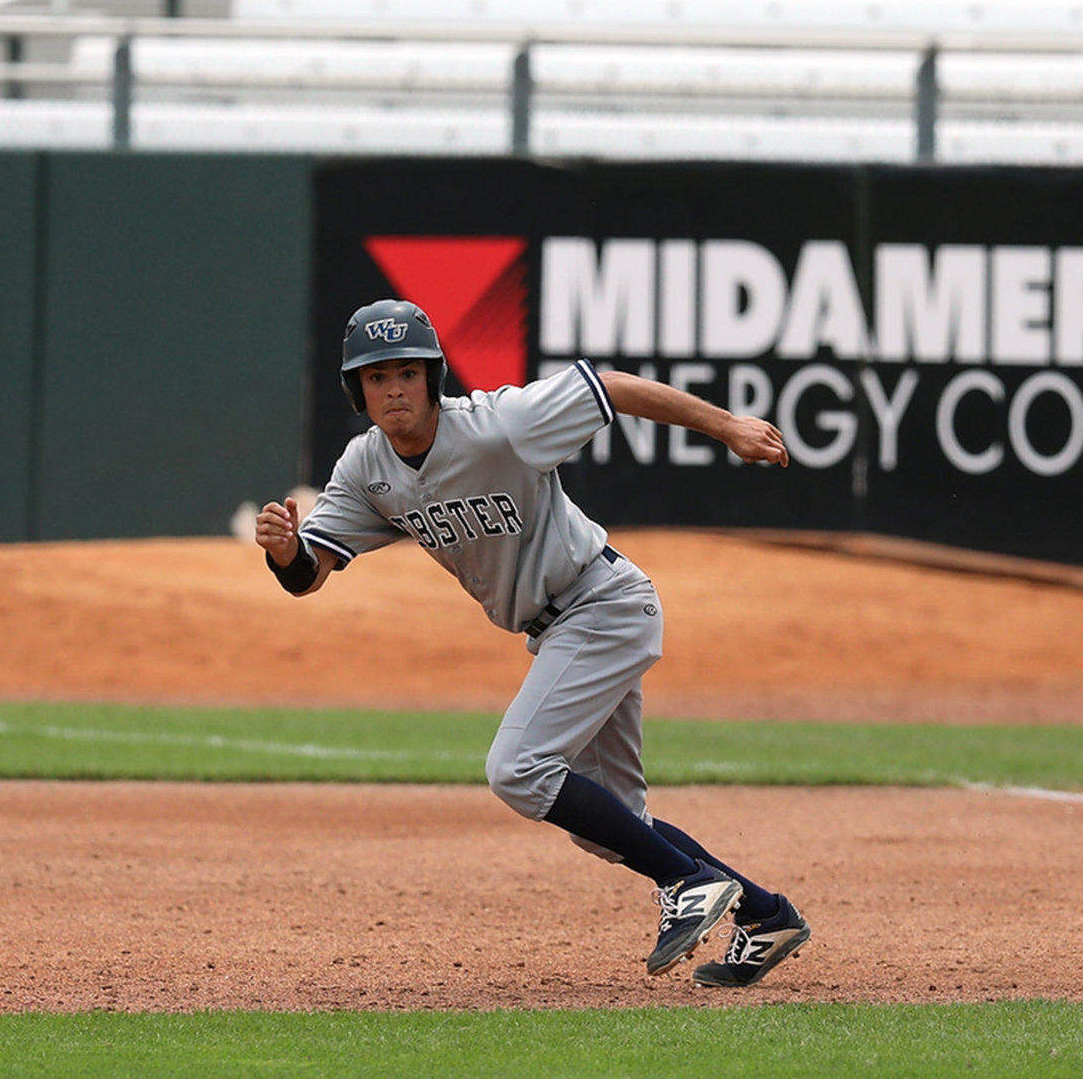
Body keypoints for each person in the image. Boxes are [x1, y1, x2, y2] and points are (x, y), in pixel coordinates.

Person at [256, 298, 810, 987]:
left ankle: (685, 883)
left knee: (517, 768)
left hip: (602, 604)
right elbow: (310, 575)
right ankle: (764, 914)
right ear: (357, 390)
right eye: (376, 377)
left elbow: (610, 387)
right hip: (562, 630)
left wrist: (727, 427)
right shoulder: (367, 468)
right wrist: (285, 554)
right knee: (608, 825)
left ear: (433, 376)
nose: (393, 388)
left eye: (406, 371)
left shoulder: (499, 427)